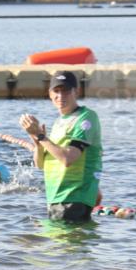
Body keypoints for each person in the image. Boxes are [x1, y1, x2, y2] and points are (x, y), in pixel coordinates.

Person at [19, 70, 102, 223]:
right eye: (56, 91)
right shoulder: (58, 123)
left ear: (76, 92)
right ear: (50, 94)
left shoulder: (86, 117)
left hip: (73, 199)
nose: (60, 96)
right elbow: (41, 164)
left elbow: (68, 158)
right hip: (56, 199)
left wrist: (41, 136)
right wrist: (37, 141)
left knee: (60, 246)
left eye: (65, 91)